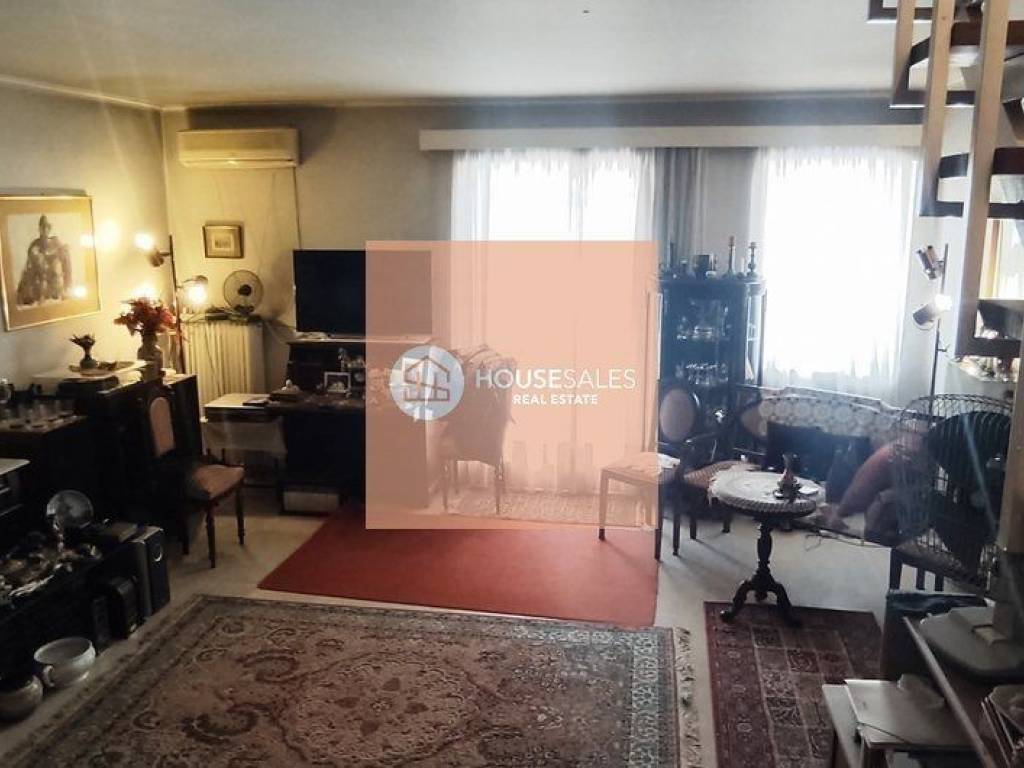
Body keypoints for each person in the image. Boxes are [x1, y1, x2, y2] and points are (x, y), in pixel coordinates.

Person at [15, 215, 71, 306]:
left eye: (47, 227)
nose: (45, 230)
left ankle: (64, 290)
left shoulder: (56, 242)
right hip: (40, 281)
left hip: (55, 280)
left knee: (59, 260)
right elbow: (30, 266)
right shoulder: (35, 245)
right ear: (39, 229)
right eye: (43, 227)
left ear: (49, 229)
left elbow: (65, 262)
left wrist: (67, 283)